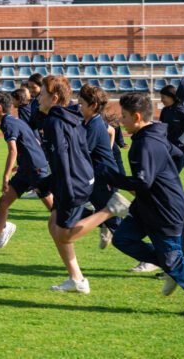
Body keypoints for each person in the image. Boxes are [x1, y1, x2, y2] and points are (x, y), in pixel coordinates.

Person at [99, 93, 184, 316]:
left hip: (164, 210)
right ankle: (169, 266)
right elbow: (178, 155)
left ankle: (174, 269)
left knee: (173, 261)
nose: (121, 120)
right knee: (122, 239)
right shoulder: (152, 135)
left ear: (137, 117)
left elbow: (143, 182)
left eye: (124, 116)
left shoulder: (147, 143)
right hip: (146, 207)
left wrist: (111, 176)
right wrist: (168, 175)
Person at [39, 75, 130, 294]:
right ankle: (76, 278)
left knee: (66, 234)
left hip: (81, 182)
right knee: (53, 225)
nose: (38, 98)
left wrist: (62, 184)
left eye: (41, 94)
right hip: (78, 179)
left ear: (54, 97)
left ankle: (111, 211)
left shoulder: (61, 121)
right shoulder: (75, 118)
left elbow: (66, 157)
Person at [0, 92, 53, 258]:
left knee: (55, 210)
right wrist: (21, 164)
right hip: (27, 169)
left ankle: (91, 222)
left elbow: (13, 150)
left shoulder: (8, 123)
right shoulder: (13, 120)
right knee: (3, 203)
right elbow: (30, 143)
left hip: (35, 170)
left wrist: (6, 176)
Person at [77, 84, 123, 250]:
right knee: (70, 210)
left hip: (104, 179)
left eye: (81, 103)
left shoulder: (94, 125)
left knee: (118, 227)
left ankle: (151, 255)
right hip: (96, 176)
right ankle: (106, 219)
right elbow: (110, 131)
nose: (78, 107)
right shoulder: (91, 122)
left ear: (93, 105)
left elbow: (82, 153)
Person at [159, 85, 184, 159]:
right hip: (168, 146)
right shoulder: (165, 110)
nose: (161, 100)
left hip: (181, 147)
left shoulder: (183, 111)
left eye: (163, 97)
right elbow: (162, 126)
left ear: (171, 97)